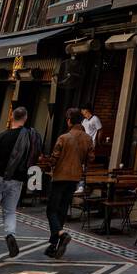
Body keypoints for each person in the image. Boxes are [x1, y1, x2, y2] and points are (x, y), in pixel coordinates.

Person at [0, 107, 41, 262]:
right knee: (10, 212)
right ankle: (10, 233)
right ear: (25, 118)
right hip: (16, 181)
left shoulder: (2, 136)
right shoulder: (29, 136)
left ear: (11, 116)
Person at [44, 108, 92, 259]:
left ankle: (61, 234)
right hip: (74, 178)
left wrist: (46, 162)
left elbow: (54, 158)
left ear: (70, 120)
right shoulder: (88, 139)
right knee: (62, 210)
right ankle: (54, 245)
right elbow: (90, 159)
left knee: (51, 210)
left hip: (60, 178)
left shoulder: (64, 137)